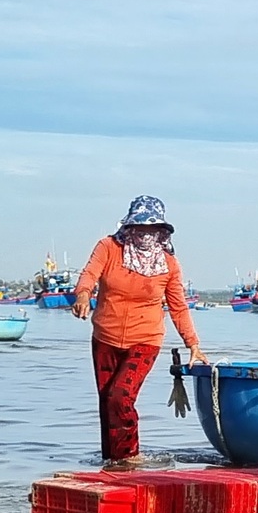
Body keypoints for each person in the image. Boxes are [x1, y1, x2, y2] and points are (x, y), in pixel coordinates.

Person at [71, 196, 208, 466]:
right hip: (105, 337)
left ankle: (130, 457)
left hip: (145, 340)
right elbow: (89, 275)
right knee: (106, 402)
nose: (145, 235)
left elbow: (178, 307)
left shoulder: (168, 264)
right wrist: (83, 295)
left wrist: (193, 344)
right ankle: (111, 462)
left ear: (162, 233)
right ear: (129, 227)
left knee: (119, 395)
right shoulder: (109, 247)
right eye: (140, 228)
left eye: (152, 230)